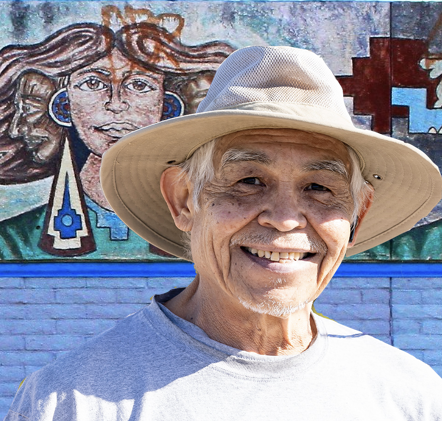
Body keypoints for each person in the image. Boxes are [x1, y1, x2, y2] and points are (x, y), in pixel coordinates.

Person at [5, 46, 442, 420]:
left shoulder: (408, 397)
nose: (286, 219)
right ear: (183, 201)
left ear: (356, 218)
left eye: (319, 188)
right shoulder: (72, 401)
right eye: (248, 181)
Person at [0, 21, 232, 258]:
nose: (116, 104)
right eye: (93, 83)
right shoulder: (12, 242)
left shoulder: (216, 237)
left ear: (169, 106)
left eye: (140, 85)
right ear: (62, 105)